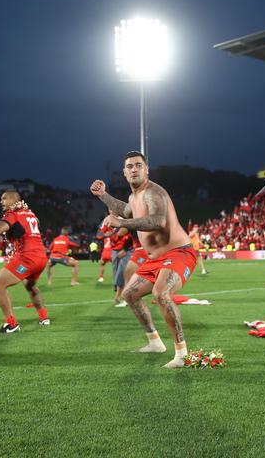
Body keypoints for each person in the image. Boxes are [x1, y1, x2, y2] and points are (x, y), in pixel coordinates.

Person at [90, 151, 197, 368]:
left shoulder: (153, 192)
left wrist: (120, 223)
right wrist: (103, 195)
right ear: (124, 172)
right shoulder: (134, 196)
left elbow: (157, 221)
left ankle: (182, 354)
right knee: (129, 294)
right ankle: (155, 342)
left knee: (161, 293)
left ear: (146, 169)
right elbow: (128, 210)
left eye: (138, 165)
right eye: (129, 166)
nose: (134, 169)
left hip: (179, 253)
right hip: (155, 259)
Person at [0, 190, 50, 333]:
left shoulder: (12, 214)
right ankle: (44, 318)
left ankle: (11, 324)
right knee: (30, 286)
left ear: (14, 200)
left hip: (27, 258)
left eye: (4, 198)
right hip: (41, 257)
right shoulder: (31, 214)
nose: (1, 201)